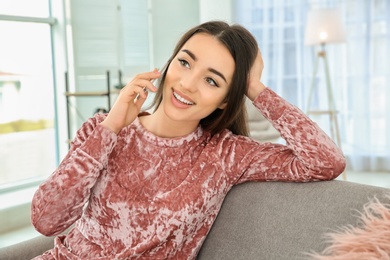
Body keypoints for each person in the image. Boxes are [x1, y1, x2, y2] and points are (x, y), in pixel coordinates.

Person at [31, 21, 346, 259]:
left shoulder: (226, 154)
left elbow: (326, 161)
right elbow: (46, 221)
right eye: (184, 62)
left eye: (212, 80)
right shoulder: (103, 130)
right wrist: (111, 127)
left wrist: (254, 87)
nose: (187, 84)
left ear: (226, 100)